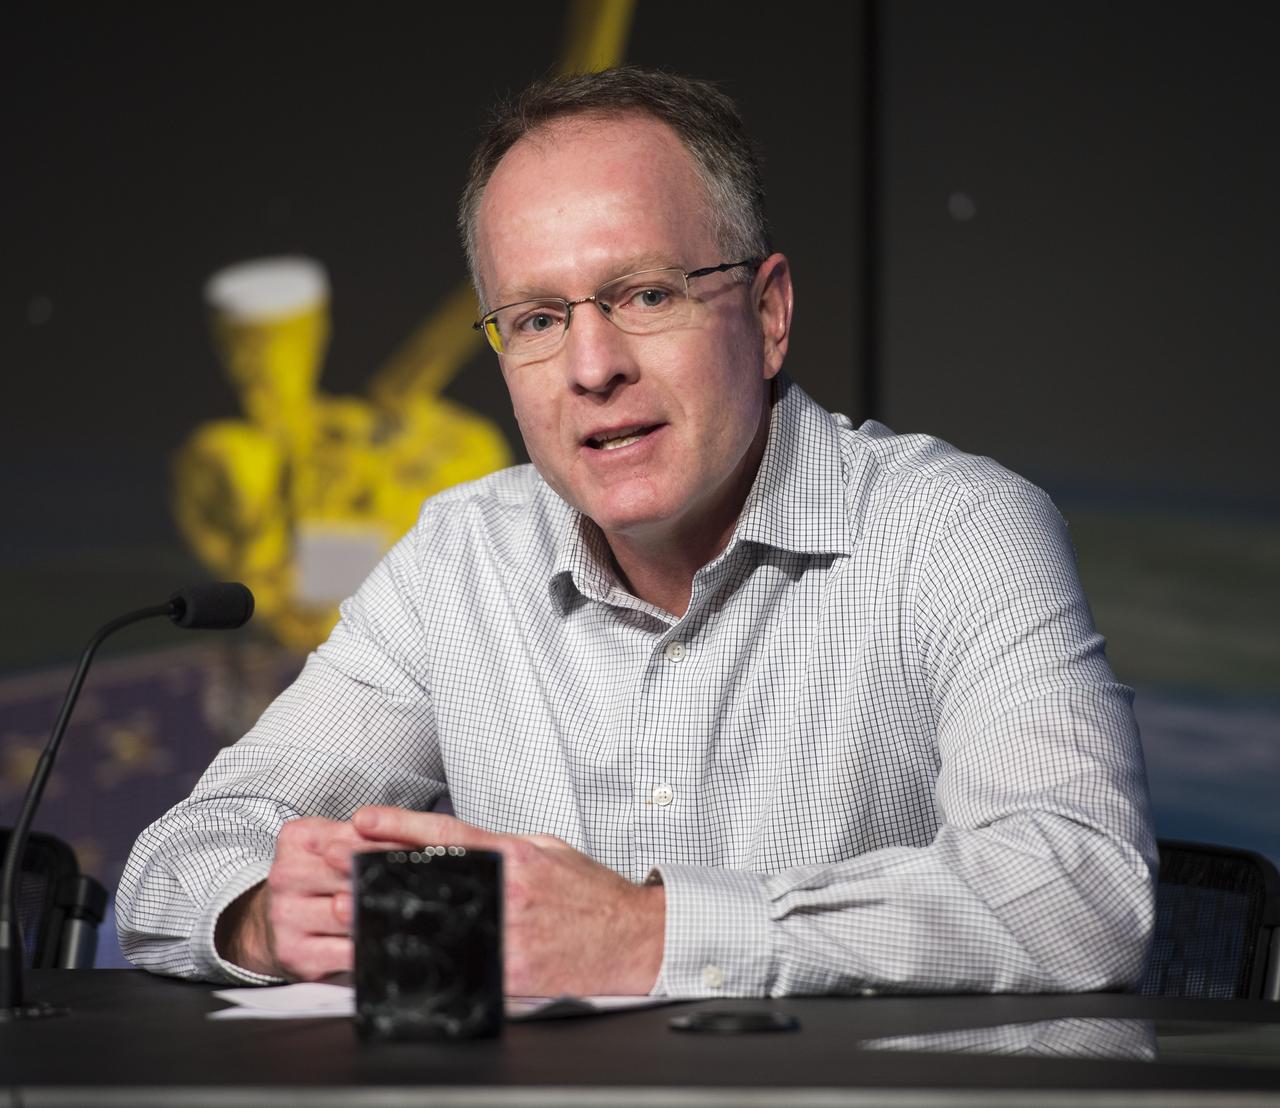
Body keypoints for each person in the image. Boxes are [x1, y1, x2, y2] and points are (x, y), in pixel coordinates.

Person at [117, 67, 1155, 997]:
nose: (590, 366)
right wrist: (265, 915)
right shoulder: (457, 556)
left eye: (645, 294)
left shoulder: (956, 530)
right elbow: (182, 857)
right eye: (534, 318)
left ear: (767, 313)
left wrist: (646, 932)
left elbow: (1081, 890)